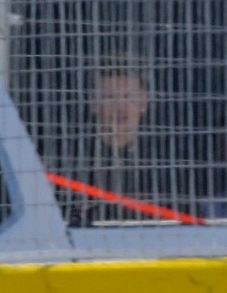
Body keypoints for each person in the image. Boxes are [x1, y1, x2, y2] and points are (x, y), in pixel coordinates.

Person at [57, 51, 190, 223]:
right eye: (109, 97)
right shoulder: (67, 161)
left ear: (144, 102)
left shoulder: (167, 163)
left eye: (128, 97)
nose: (119, 107)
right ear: (93, 103)